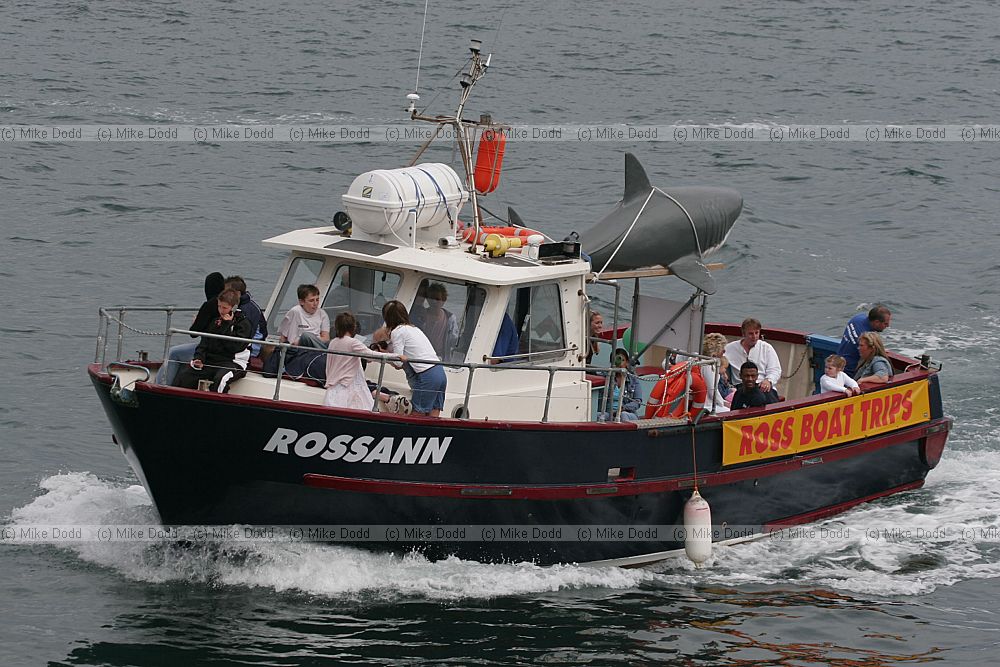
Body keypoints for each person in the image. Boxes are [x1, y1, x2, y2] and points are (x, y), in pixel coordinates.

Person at [173, 289, 252, 393]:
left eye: (225, 307)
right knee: (185, 376)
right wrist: (199, 358)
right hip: (211, 361)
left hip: (232, 362)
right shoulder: (215, 321)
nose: (221, 310)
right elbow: (204, 342)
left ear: (233, 307)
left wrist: (226, 325)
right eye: (219, 306)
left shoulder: (243, 324)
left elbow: (234, 347)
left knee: (221, 380)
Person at [157, 271, 225, 385]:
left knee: (173, 353)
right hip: (222, 350)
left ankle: (161, 384)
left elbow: (193, 333)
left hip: (208, 351)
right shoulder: (227, 305)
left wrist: (195, 321)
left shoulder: (209, 305)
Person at [382, 300, 447, 417]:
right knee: (434, 411)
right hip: (439, 371)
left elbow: (398, 363)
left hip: (427, 375)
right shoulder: (414, 329)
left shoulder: (397, 332)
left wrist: (385, 355)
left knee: (417, 413)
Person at [324, 312, 376, 411]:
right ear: (353, 327)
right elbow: (372, 355)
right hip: (348, 388)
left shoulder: (333, 342)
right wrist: (396, 356)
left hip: (333, 389)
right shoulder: (353, 342)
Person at [724, 318, 781, 399]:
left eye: (757, 333)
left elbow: (775, 370)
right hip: (740, 386)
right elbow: (719, 361)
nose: (754, 336)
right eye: (750, 334)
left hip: (762, 385)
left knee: (767, 399)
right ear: (743, 334)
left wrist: (768, 380)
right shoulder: (729, 348)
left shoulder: (766, 348)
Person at [836, 304, 892, 375]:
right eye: (885, 323)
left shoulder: (858, 318)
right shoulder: (864, 337)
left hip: (838, 359)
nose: (888, 326)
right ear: (876, 322)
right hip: (849, 368)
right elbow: (872, 356)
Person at [412, 282, 459, 361]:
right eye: (431, 298)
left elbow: (454, 340)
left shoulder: (450, 318)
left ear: (443, 300)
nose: (434, 302)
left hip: (441, 357)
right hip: (422, 354)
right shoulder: (421, 315)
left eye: (437, 299)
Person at [224, 275, 267, 359]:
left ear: (237, 293)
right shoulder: (242, 306)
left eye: (226, 292)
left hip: (252, 348)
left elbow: (247, 334)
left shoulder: (247, 310)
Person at [278, 284, 330, 349]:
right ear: (302, 302)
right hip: (297, 349)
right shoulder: (295, 311)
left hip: (315, 348)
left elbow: (326, 338)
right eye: (311, 300)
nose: (315, 303)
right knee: (305, 336)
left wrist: (311, 340)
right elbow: (283, 337)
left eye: (317, 300)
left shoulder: (322, 314)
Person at [598, 348, 642, 421]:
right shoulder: (606, 377)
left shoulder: (633, 380)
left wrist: (623, 408)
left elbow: (637, 401)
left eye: (623, 360)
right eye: (616, 360)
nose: (619, 363)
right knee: (598, 416)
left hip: (628, 413)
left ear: (627, 362)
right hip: (609, 413)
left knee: (623, 415)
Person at [700, 332, 732, 414]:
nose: (724, 351)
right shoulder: (707, 365)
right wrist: (723, 403)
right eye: (722, 348)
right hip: (707, 405)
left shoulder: (702, 361)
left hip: (707, 402)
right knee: (731, 411)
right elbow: (712, 391)